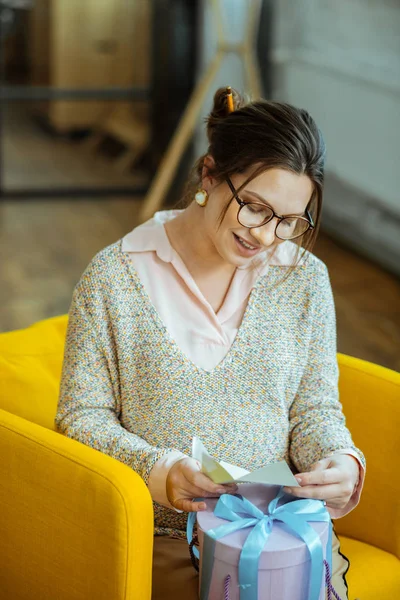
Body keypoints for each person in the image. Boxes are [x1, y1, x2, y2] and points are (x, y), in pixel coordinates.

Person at [55, 87, 366, 600]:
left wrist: (338, 459)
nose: (267, 237)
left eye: (289, 222)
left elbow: (313, 407)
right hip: (163, 534)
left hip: (282, 534)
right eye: (254, 208)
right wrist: (160, 471)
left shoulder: (305, 279)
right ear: (209, 174)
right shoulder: (114, 276)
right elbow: (80, 417)